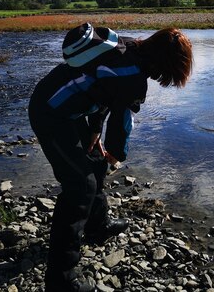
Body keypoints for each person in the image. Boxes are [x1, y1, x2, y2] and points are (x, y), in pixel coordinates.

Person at [28, 23, 193, 292]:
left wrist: (94, 132)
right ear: (164, 64)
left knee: (95, 160)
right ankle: (61, 278)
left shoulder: (128, 48)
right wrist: (117, 154)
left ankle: (97, 226)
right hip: (50, 114)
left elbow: (104, 92)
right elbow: (121, 121)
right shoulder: (133, 78)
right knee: (81, 186)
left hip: (69, 109)